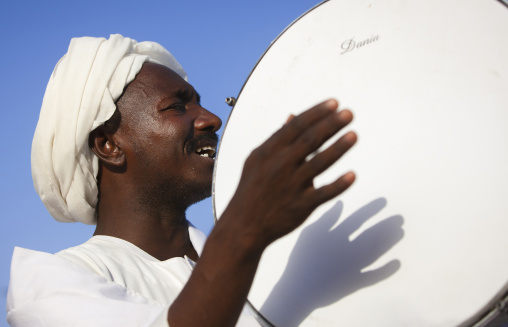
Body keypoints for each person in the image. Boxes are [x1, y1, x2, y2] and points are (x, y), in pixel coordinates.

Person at [6, 34, 357, 326]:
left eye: (199, 104)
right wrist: (242, 231)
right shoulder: (52, 283)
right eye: (177, 106)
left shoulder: (265, 266)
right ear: (109, 145)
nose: (212, 120)